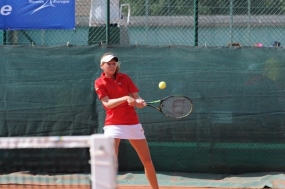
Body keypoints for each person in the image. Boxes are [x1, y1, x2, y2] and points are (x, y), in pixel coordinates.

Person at [94, 52, 159, 189]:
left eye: (114, 63)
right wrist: (125, 98)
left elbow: (137, 97)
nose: (112, 66)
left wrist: (139, 102)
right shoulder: (99, 82)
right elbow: (106, 103)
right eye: (109, 64)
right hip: (113, 124)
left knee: (147, 161)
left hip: (132, 123)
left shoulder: (125, 78)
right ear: (102, 66)